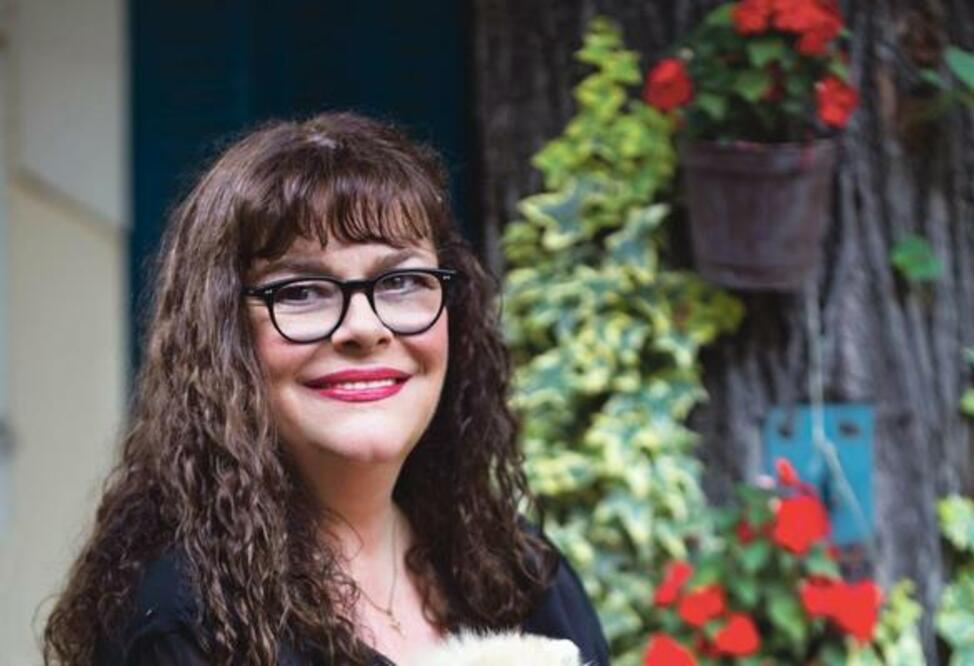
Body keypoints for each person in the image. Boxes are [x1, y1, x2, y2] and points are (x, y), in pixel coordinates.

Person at [42, 112, 609, 666]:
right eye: (301, 291)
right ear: (224, 336)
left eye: (401, 281)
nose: (364, 327)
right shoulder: (184, 625)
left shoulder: (528, 578)